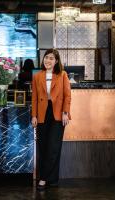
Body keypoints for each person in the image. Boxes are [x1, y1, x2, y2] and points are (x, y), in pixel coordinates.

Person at [31, 49, 71, 190]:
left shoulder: (62, 75)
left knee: (53, 147)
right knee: (43, 146)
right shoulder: (37, 76)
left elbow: (67, 95)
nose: (48, 60)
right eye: (46, 57)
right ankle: (50, 178)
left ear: (56, 61)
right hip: (42, 113)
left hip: (58, 114)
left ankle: (45, 179)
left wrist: (65, 112)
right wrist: (34, 116)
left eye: (51, 58)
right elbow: (34, 97)